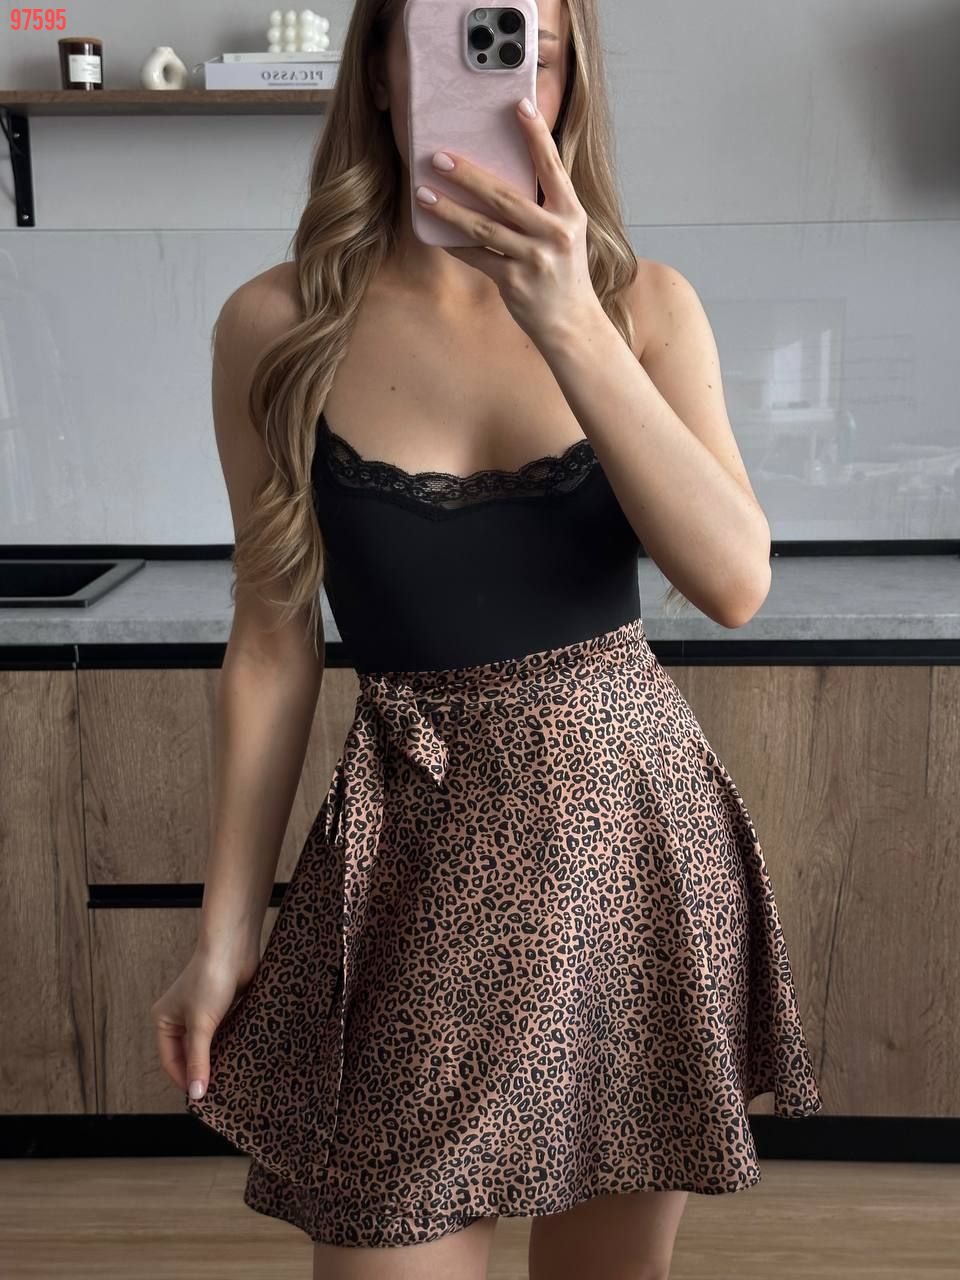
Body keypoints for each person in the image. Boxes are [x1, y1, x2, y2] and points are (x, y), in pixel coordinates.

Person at [152, 2, 824, 1277]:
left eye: (525, 48)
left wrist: (568, 319)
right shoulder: (273, 326)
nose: (494, 79)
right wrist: (224, 930)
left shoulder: (644, 306)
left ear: (568, 83)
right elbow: (274, 641)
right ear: (379, 75)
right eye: (444, 40)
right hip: (412, 870)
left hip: (625, 853)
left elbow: (736, 580)